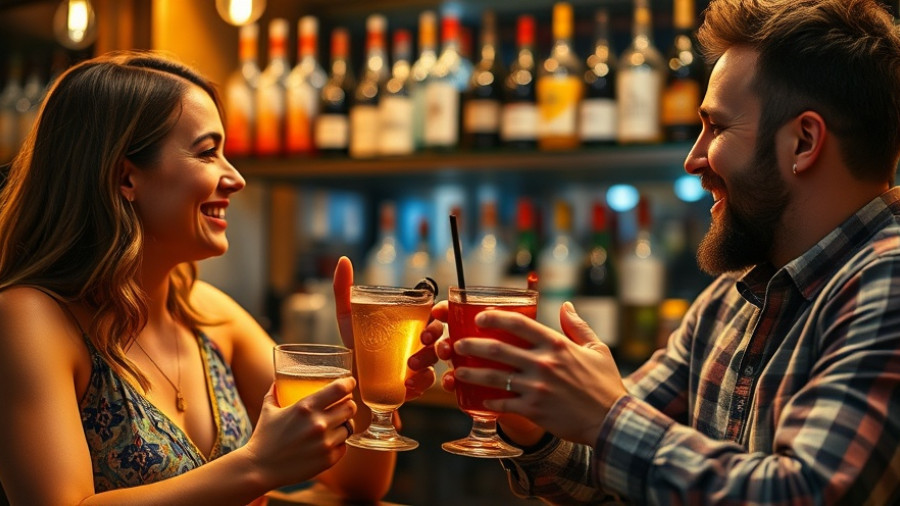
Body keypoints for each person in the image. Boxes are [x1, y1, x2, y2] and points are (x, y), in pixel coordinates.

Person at [406, 0, 900, 503]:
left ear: (803, 142)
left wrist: (604, 416)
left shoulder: (887, 282)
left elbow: (806, 493)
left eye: (717, 127)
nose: (693, 159)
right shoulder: (729, 302)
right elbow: (610, 473)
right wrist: (527, 411)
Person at [0, 51, 395, 505]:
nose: (236, 178)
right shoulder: (30, 318)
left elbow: (357, 484)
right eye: (208, 153)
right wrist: (256, 466)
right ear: (126, 178)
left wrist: (364, 383)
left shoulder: (208, 313)